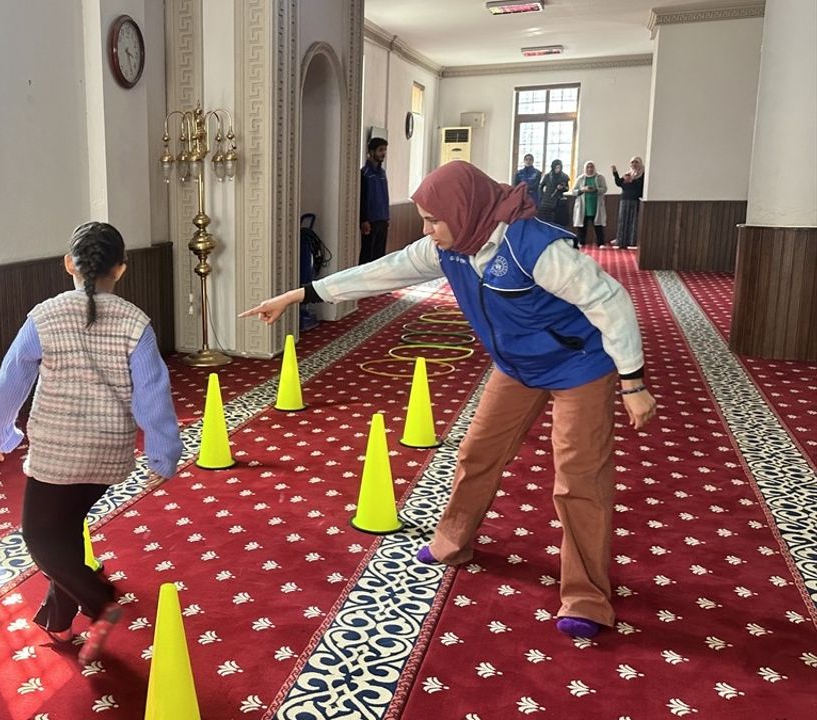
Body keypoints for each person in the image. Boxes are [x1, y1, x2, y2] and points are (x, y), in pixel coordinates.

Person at [238, 161, 657, 640]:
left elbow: (611, 300)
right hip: (517, 367)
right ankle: (453, 541)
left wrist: (633, 382)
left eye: (434, 220)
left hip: (579, 366)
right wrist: (298, 295)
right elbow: (381, 272)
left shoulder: (534, 247)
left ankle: (586, 597)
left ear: (466, 210)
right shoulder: (450, 248)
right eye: (424, 219)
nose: (426, 230)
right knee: (477, 453)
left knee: (578, 479)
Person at [0, 221, 182, 664]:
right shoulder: (136, 323)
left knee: (40, 538)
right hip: (110, 454)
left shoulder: (45, 316)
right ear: (122, 269)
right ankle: (58, 617)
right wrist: (163, 452)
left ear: (69, 264)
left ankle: (99, 600)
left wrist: (0, 434)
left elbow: (11, 378)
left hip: (57, 452)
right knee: (65, 525)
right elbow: (154, 393)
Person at [360, 137, 391, 264]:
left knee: (380, 255)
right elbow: (362, 198)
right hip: (370, 222)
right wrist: (363, 220)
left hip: (383, 219)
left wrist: (387, 217)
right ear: (371, 152)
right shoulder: (364, 173)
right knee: (368, 254)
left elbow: (385, 196)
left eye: (384, 150)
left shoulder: (382, 173)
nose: (383, 153)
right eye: (380, 150)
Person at [571, 161, 608, 248]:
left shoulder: (600, 177)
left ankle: (600, 243)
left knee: (598, 225)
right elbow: (574, 191)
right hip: (583, 206)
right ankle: (581, 242)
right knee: (582, 226)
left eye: (591, 167)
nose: (590, 169)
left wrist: (595, 190)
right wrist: (582, 190)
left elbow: (604, 189)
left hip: (596, 205)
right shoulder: (580, 178)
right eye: (588, 167)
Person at [611, 157, 645, 250]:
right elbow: (619, 183)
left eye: (636, 162)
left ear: (640, 164)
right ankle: (621, 241)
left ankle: (632, 242)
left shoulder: (643, 175)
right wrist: (615, 173)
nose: (634, 164)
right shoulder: (628, 173)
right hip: (624, 200)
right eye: (632, 162)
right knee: (622, 221)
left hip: (634, 200)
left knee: (633, 221)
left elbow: (641, 186)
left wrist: (632, 181)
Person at [537, 159, 571, 231]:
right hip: (546, 201)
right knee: (545, 220)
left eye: (559, 167)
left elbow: (567, 188)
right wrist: (542, 196)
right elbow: (540, 187)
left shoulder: (564, 176)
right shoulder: (547, 176)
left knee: (558, 221)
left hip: (559, 201)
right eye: (556, 167)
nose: (558, 169)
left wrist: (562, 188)